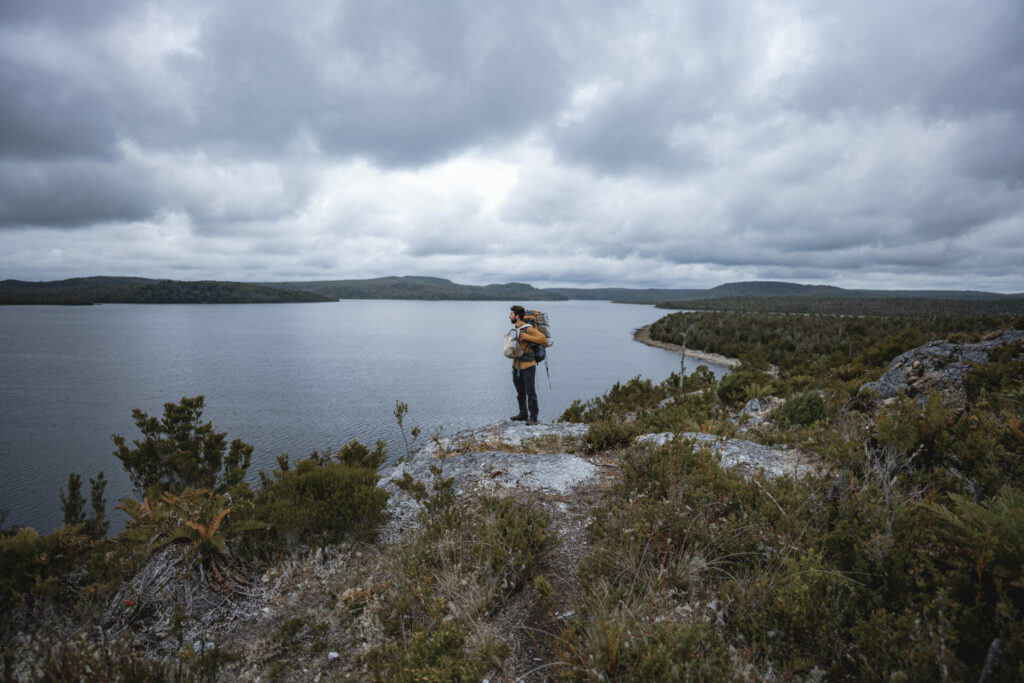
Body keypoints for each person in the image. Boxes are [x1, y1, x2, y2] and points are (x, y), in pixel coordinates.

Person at [508, 305, 547, 424]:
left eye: (511, 314)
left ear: (517, 316)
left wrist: (526, 337)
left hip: (528, 365)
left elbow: (543, 340)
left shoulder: (528, 329)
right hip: (516, 365)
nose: (509, 316)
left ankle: (533, 417)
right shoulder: (515, 328)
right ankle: (523, 413)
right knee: (520, 392)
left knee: (530, 392)